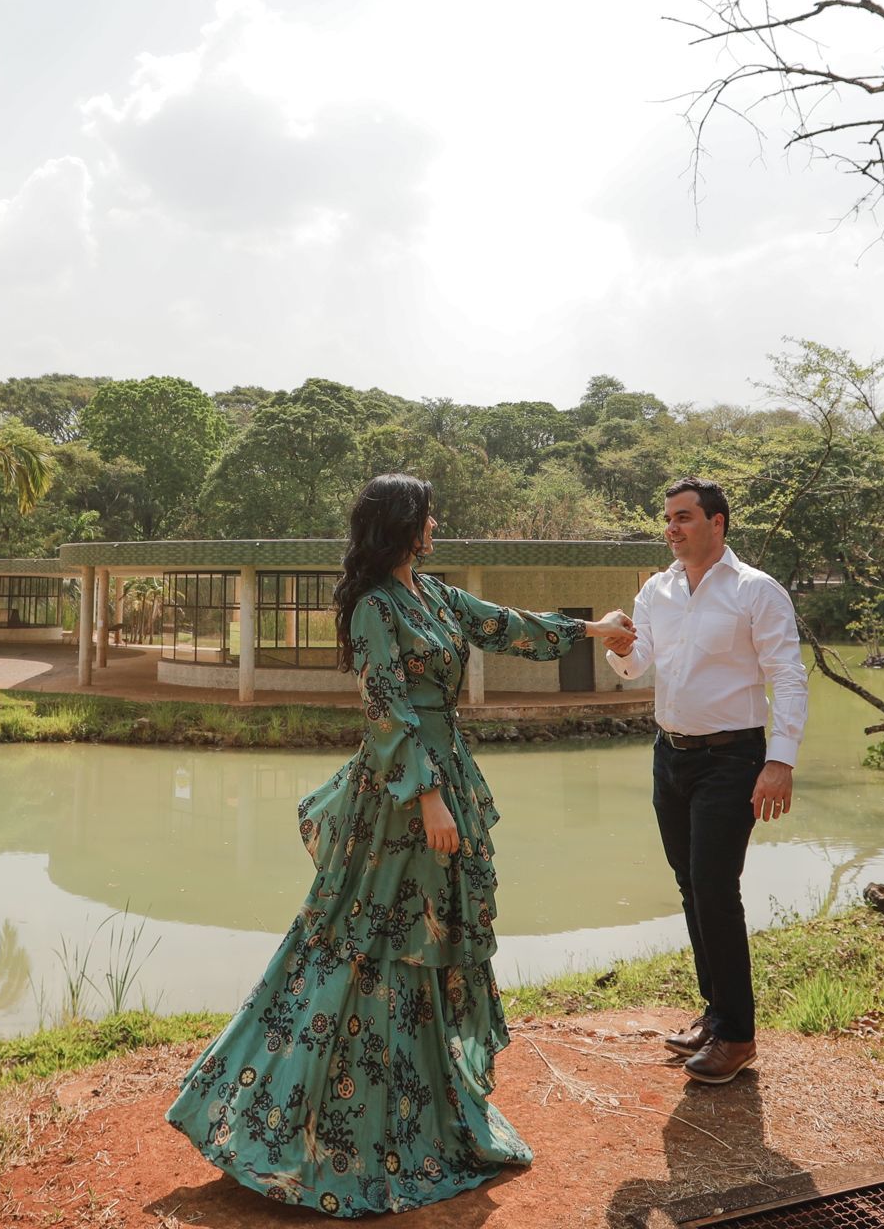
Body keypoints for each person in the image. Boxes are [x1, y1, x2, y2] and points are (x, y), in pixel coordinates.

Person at [166, 472, 634, 1216]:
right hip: (402, 789)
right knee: (373, 934)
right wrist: (427, 798)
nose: (437, 521)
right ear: (403, 523)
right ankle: (315, 1126)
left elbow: (503, 625)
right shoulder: (372, 608)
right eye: (426, 513)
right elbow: (384, 706)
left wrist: (591, 631)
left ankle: (429, 1108)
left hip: (443, 766)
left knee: (433, 936)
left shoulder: (434, 593)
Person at [604, 477, 807, 1086]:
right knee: (691, 884)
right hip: (671, 755)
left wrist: (780, 759)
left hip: (733, 758)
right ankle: (717, 1016)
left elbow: (788, 677)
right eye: (668, 517)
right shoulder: (656, 591)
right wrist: (617, 645)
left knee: (716, 886)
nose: (672, 527)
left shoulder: (756, 591)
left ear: (718, 522)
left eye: (684, 517)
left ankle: (738, 1036)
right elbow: (635, 667)